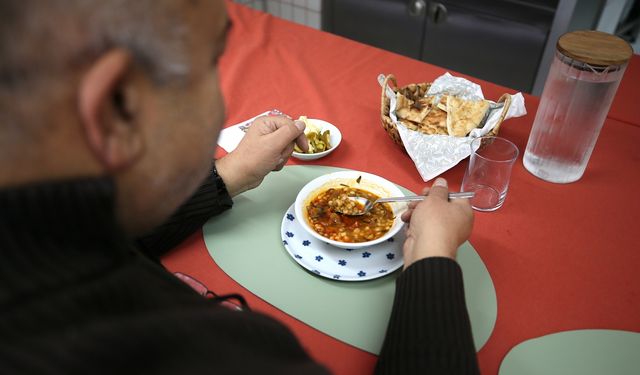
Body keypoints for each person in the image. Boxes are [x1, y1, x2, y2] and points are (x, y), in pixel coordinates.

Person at [0, 0, 478, 374]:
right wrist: (433, 259)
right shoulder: (210, 357)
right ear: (118, 108)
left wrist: (229, 175)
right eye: (213, 60)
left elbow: (109, 235)